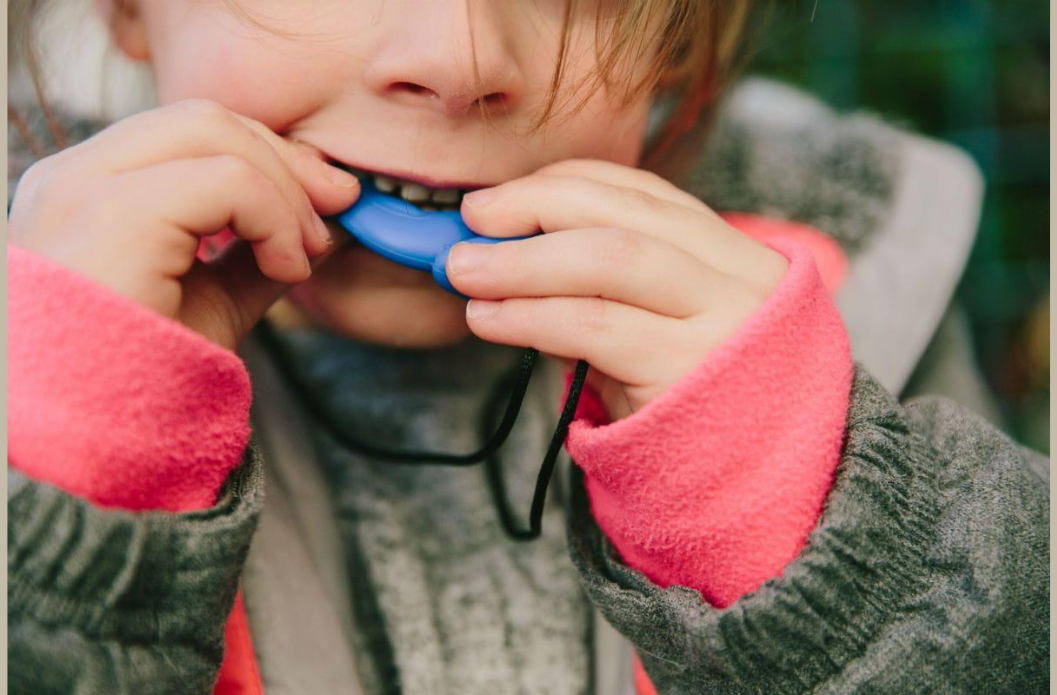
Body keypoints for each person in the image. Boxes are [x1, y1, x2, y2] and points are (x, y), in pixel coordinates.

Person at [7, 1, 1048, 694]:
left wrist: (826, 537)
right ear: (130, 7)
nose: (458, 63)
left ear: (681, 38)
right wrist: (57, 490)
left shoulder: (860, 288)